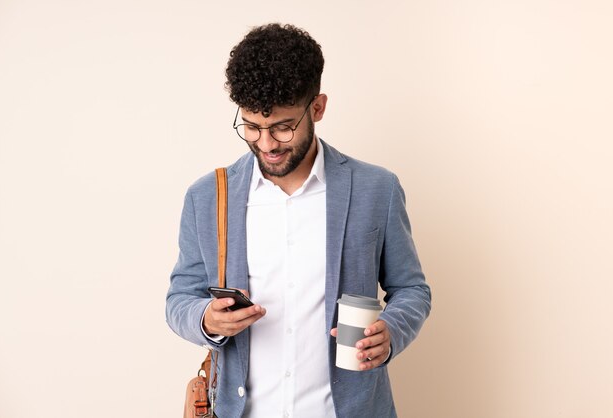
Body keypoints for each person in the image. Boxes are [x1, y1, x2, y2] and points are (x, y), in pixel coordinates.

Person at [166, 23, 431, 418]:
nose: (267, 144)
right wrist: (206, 318)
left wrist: (390, 331)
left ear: (318, 108)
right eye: (252, 127)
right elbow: (179, 300)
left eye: (283, 127)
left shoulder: (377, 189)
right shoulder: (207, 197)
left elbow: (411, 289)